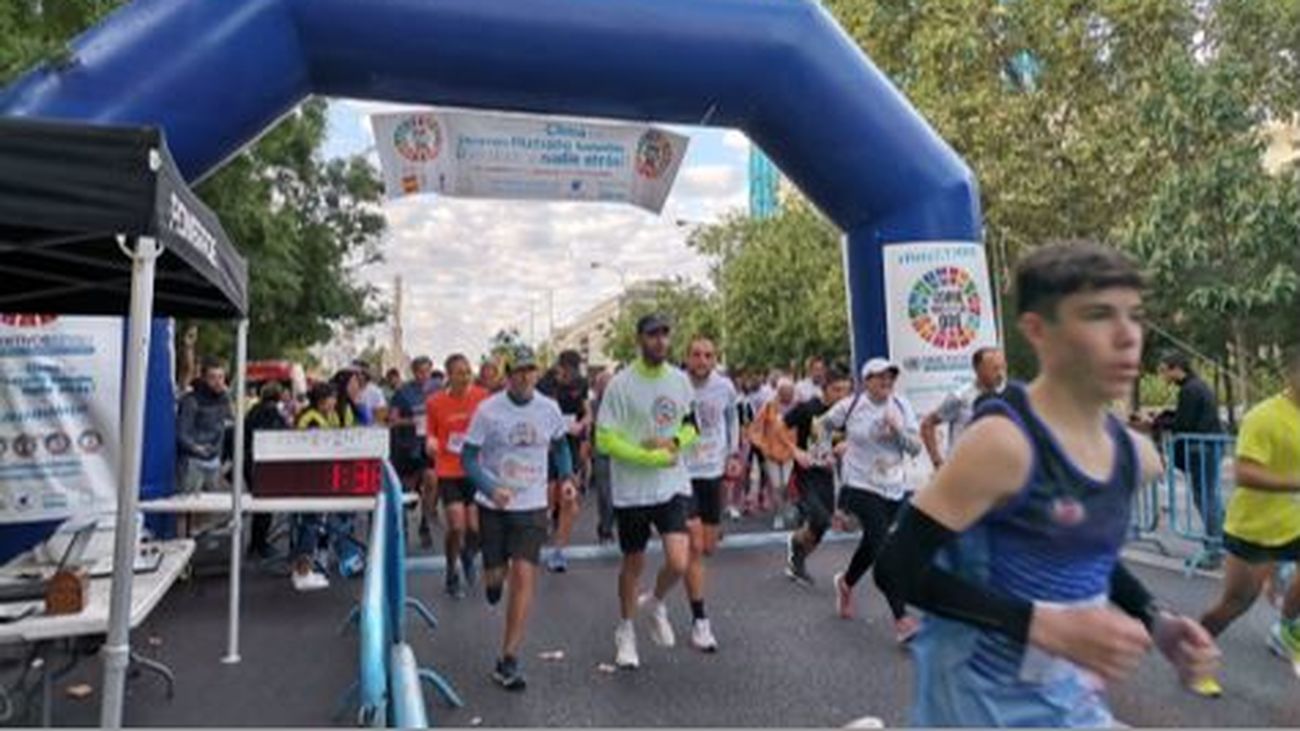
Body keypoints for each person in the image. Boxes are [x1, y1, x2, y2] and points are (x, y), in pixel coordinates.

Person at [873, 241, 1220, 726]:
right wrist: (1041, 626)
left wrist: (1154, 617)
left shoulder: (1135, 456)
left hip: (1068, 707)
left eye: (1133, 316)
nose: (1127, 337)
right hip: (971, 709)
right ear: (1038, 331)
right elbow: (895, 569)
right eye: (1099, 315)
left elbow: (1083, 553)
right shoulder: (1002, 445)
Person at [460, 345, 575, 691]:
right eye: (519, 371)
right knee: (496, 581)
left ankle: (508, 658)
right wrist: (491, 486)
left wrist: (567, 479)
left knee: (524, 576)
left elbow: (561, 446)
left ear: (537, 374)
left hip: (531, 505)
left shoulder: (549, 408)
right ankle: (490, 574)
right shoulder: (488, 410)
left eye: (531, 370)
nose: (525, 377)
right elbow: (468, 458)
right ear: (508, 376)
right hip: (493, 506)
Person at [597, 313, 699, 669]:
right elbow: (605, 438)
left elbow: (691, 426)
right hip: (632, 490)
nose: (660, 341)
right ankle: (625, 630)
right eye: (653, 334)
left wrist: (672, 442)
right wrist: (646, 456)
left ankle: (656, 601)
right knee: (633, 563)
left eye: (664, 334)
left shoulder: (679, 380)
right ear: (639, 339)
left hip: (671, 484)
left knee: (678, 560)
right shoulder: (620, 385)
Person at [1197, 346, 1300, 682]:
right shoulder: (1264, 417)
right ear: (1291, 374)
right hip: (1255, 529)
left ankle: (1286, 628)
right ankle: (1192, 651)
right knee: (1236, 604)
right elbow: (1244, 474)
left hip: (1293, 523)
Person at [816, 358, 924, 643]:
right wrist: (824, 451)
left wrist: (898, 431)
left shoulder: (901, 406)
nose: (886, 381)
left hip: (893, 487)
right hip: (860, 484)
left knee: (871, 544)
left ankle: (846, 582)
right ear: (866, 381)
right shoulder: (851, 406)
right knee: (883, 549)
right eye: (879, 377)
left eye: (890, 376)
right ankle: (901, 619)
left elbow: (915, 448)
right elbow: (822, 426)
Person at [681, 336, 740, 652]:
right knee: (693, 544)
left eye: (708, 355)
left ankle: (669, 588)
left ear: (714, 359)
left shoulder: (725, 387)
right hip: (683, 474)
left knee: (707, 547)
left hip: (712, 472)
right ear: (687, 358)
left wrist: (732, 454)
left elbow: (733, 421)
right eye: (696, 355)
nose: (702, 360)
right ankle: (700, 621)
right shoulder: (676, 385)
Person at [426, 353, 490, 599]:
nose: (465, 377)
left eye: (467, 372)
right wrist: (431, 444)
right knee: (456, 525)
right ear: (449, 375)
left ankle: (468, 555)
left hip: (475, 468)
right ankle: (451, 572)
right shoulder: (435, 402)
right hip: (449, 468)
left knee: (475, 528)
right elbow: (430, 433)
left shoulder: (482, 398)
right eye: (459, 373)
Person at [782, 367, 853, 585]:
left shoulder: (847, 413)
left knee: (821, 527)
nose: (842, 396)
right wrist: (795, 451)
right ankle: (796, 548)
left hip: (826, 475)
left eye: (846, 391)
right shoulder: (807, 408)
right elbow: (776, 428)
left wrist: (847, 444)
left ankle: (796, 552)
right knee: (819, 518)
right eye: (836, 390)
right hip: (804, 475)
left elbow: (856, 438)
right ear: (824, 389)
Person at [1156, 351, 1226, 568]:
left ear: (1176, 368)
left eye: (1164, 370)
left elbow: (1184, 424)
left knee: (1205, 498)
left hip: (1200, 449)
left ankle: (1215, 550)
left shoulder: (1190, 390)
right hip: (1208, 447)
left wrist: (1160, 422)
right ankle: (1221, 544)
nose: (1162, 375)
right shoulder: (1196, 387)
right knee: (1210, 497)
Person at [290, 382, 350, 591]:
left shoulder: (330, 416)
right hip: (309, 476)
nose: (335, 402)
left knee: (315, 523)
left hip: (323, 475)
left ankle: (307, 568)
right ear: (321, 400)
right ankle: (302, 572)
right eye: (332, 398)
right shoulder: (309, 419)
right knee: (310, 523)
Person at [536, 349, 591, 572]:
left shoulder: (581, 383)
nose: (570, 376)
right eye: (567, 370)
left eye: (574, 371)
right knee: (549, 490)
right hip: (548, 443)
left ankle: (559, 551)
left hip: (570, 441)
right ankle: (547, 517)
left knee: (569, 495)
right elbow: (540, 411)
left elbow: (587, 412)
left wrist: (582, 424)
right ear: (560, 367)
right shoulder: (546, 382)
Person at [921, 347, 1008, 468]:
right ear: (978, 369)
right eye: (995, 368)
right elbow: (927, 424)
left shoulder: (1006, 396)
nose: (1000, 374)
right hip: (963, 471)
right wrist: (937, 462)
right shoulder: (960, 397)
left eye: (1003, 367)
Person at [390, 356, 439, 547]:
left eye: (427, 371)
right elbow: (393, 420)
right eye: (420, 372)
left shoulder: (438, 390)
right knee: (407, 489)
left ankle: (424, 523)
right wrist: (414, 421)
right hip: (407, 445)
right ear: (413, 372)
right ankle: (403, 524)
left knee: (432, 480)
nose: (424, 376)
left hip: (428, 445)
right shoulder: (403, 392)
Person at [245, 382, 291, 559]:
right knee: (265, 506)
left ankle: (255, 544)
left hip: (250, 460)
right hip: (261, 462)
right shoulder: (271, 412)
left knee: (259, 505)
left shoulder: (255, 409)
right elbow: (279, 433)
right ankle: (260, 545)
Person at [176, 357, 232, 495]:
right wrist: (197, 448)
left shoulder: (224, 399)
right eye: (212, 377)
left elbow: (223, 426)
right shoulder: (191, 401)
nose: (218, 382)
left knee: (211, 510)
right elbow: (182, 433)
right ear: (204, 378)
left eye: (221, 377)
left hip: (214, 460)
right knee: (187, 507)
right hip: (193, 461)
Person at [747, 378, 797, 527]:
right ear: (779, 392)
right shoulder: (769, 407)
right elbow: (755, 428)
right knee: (776, 485)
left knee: (785, 484)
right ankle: (779, 514)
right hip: (771, 453)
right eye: (785, 392)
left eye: (791, 392)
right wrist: (762, 446)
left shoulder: (798, 407)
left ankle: (784, 509)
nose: (788, 395)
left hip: (790, 452)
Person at [590, 369, 617, 543]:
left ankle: (610, 524)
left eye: (609, 384)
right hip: (601, 453)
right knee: (605, 493)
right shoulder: (592, 405)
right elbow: (589, 427)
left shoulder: (620, 403)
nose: (606, 388)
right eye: (603, 385)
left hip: (620, 453)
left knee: (618, 493)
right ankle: (605, 527)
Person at [352, 359, 389, 425]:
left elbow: (382, 416)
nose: (355, 376)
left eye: (358, 374)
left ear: (365, 374)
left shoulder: (375, 391)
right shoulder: (349, 391)